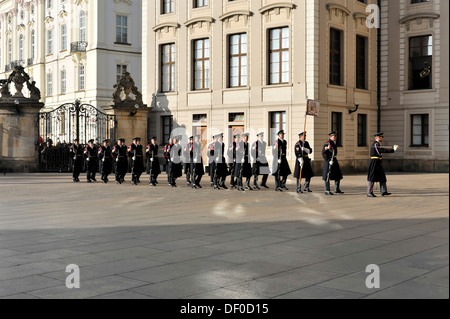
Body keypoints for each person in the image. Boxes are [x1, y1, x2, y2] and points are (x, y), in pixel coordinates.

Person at [367, 132, 399, 197]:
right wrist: (392, 150)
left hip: (378, 162)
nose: (382, 138)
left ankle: (383, 191)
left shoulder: (378, 144)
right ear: (378, 137)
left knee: (382, 177)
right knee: (372, 177)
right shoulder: (376, 144)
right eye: (381, 137)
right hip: (374, 162)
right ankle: (369, 192)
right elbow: (380, 150)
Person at [322, 131, 344, 195]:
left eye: (336, 136)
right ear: (331, 137)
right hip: (328, 161)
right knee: (327, 176)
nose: (336, 137)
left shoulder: (333, 143)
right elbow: (323, 153)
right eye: (334, 136)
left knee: (338, 175)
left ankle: (337, 189)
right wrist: (328, 160)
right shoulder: (327, 144)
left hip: (334, 159)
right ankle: (327, 190)